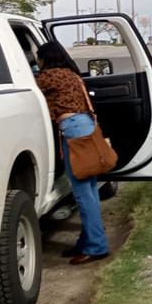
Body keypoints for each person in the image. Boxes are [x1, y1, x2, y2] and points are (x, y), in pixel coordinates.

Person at [35, 41, 109, 265]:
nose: (37, 63)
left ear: (45, 58)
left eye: (38, 58)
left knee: (82, 194)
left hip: (74, 131)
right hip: (85, 127)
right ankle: (87, 241)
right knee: (89, 191)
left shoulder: (51, 76)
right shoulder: (71, 74)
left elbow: (29, 86)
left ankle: (96, 246)